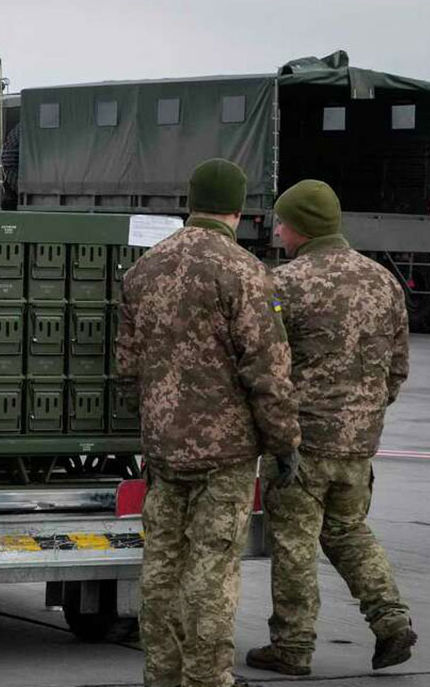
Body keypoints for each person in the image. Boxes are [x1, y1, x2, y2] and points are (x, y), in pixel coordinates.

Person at [115, 158, 301, 687]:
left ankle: (163, 675)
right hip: (226, 455)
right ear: (239, 211)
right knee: (212, 571)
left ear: (189, 202)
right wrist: (284, 442)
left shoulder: (145, 268)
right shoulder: (246, 273)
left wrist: (160, 419)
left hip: (164, 449)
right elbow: (268, 372)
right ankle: (208, 678)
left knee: (162, 569)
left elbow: (127, 366)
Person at [246, 180, 417, 676]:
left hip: (301, 442)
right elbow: (397, 367)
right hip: (358, 444)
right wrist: (365, 414)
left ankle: (293, 646)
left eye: (280, 221)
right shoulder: (382, 281)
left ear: (298, 226)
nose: (276, 229)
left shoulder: (286, 283)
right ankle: (390, 619)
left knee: (295, 542)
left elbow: (268, 367)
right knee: (349, 531)